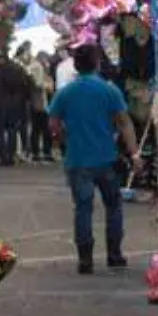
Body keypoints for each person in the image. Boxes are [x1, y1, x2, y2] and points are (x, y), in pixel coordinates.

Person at [48, 44, 141, 275]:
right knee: (113, 206)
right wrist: (134, 152)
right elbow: (124, 122)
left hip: (77, 159)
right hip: (106, 158)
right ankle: (114, 254)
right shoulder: (109, 91)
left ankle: (85, 259)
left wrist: (63, 140)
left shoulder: (65, 93)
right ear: (98, 63)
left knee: (82, 208)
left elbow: (53, 124)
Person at [0, 50, 31, 166]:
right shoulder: (15, 69)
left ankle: (2, 155)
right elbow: (23, 87)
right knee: (12, 130)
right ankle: (10, 155)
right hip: (13, 104)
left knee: (0, 131)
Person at [21, 47, 54, 163]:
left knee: (36, 129)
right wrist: (47, 85)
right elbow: (38, 84)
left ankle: (36, 152)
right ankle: (46, 152)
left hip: (34, 102)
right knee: (44, 128)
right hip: (40, 102)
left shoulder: (31, 67)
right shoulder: (38, 67)